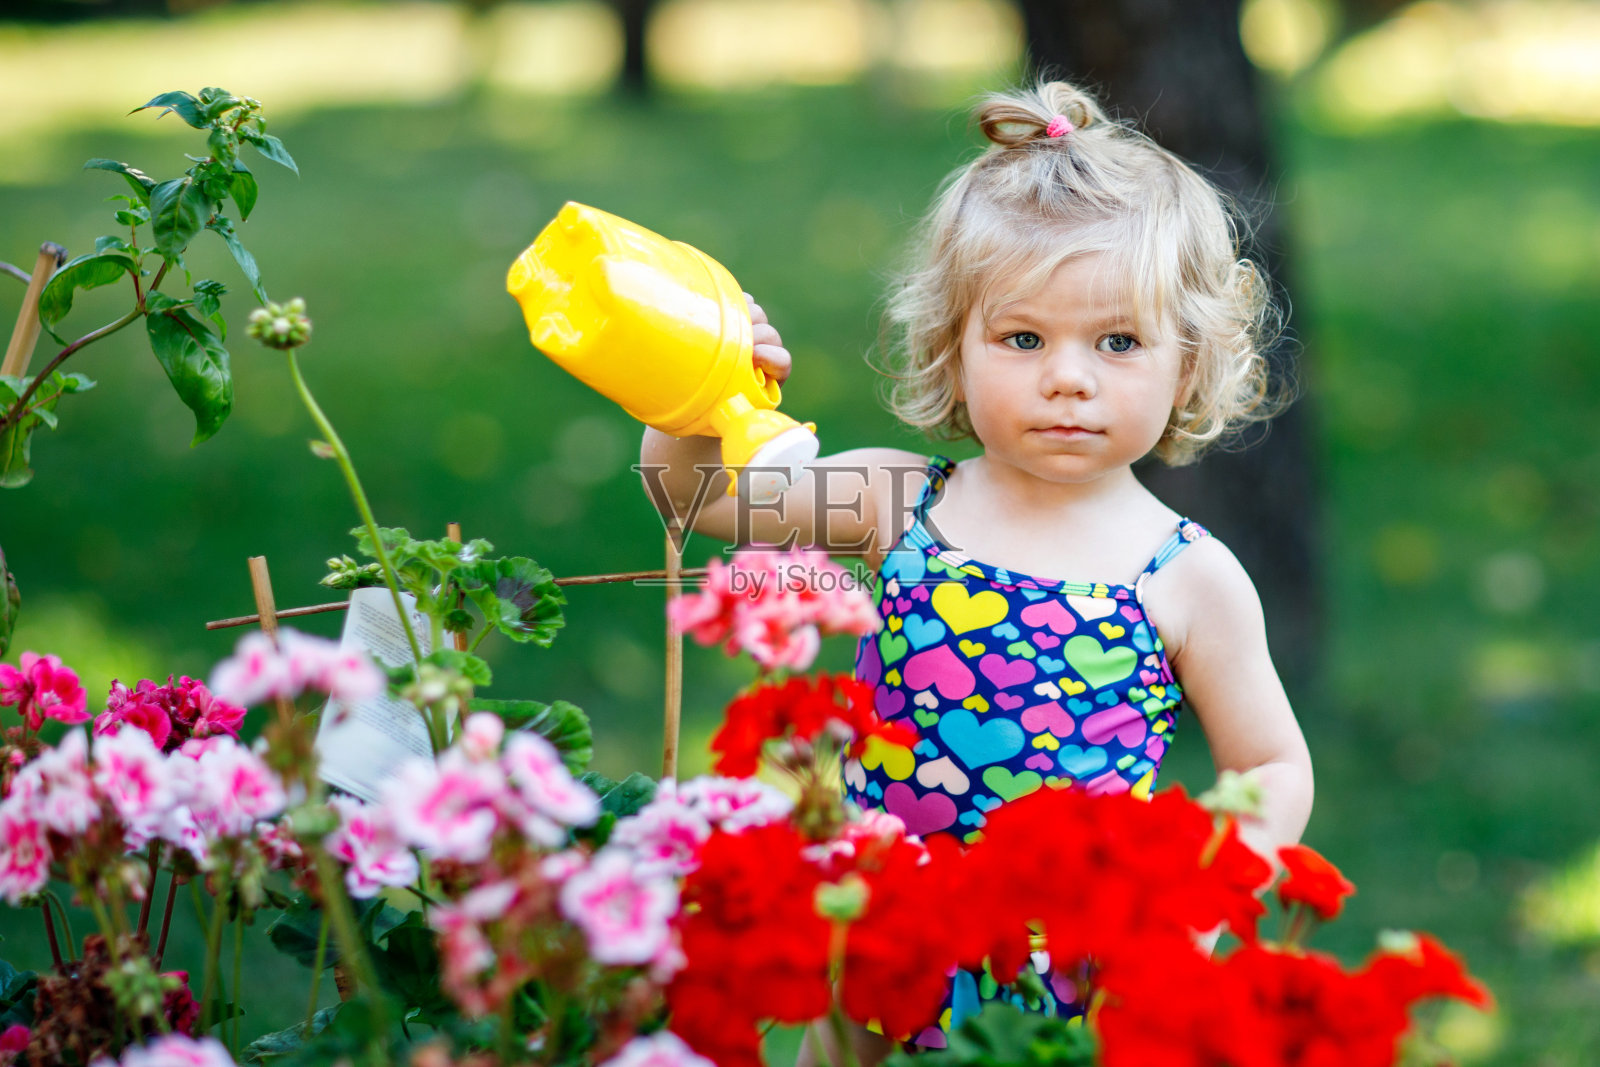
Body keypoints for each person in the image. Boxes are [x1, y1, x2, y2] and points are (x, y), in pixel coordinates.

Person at [638, 78, 1313, 1064]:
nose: (1067, 375)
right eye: (1023, 337)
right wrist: (695, 391)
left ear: (1188, 362)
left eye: (1117, 341)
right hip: (874, 951)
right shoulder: (893, 501)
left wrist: (1191, 923)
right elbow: (693, 502)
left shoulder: (1185, 574)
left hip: (1070, 982)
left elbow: (1270, 765)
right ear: (954, 347)